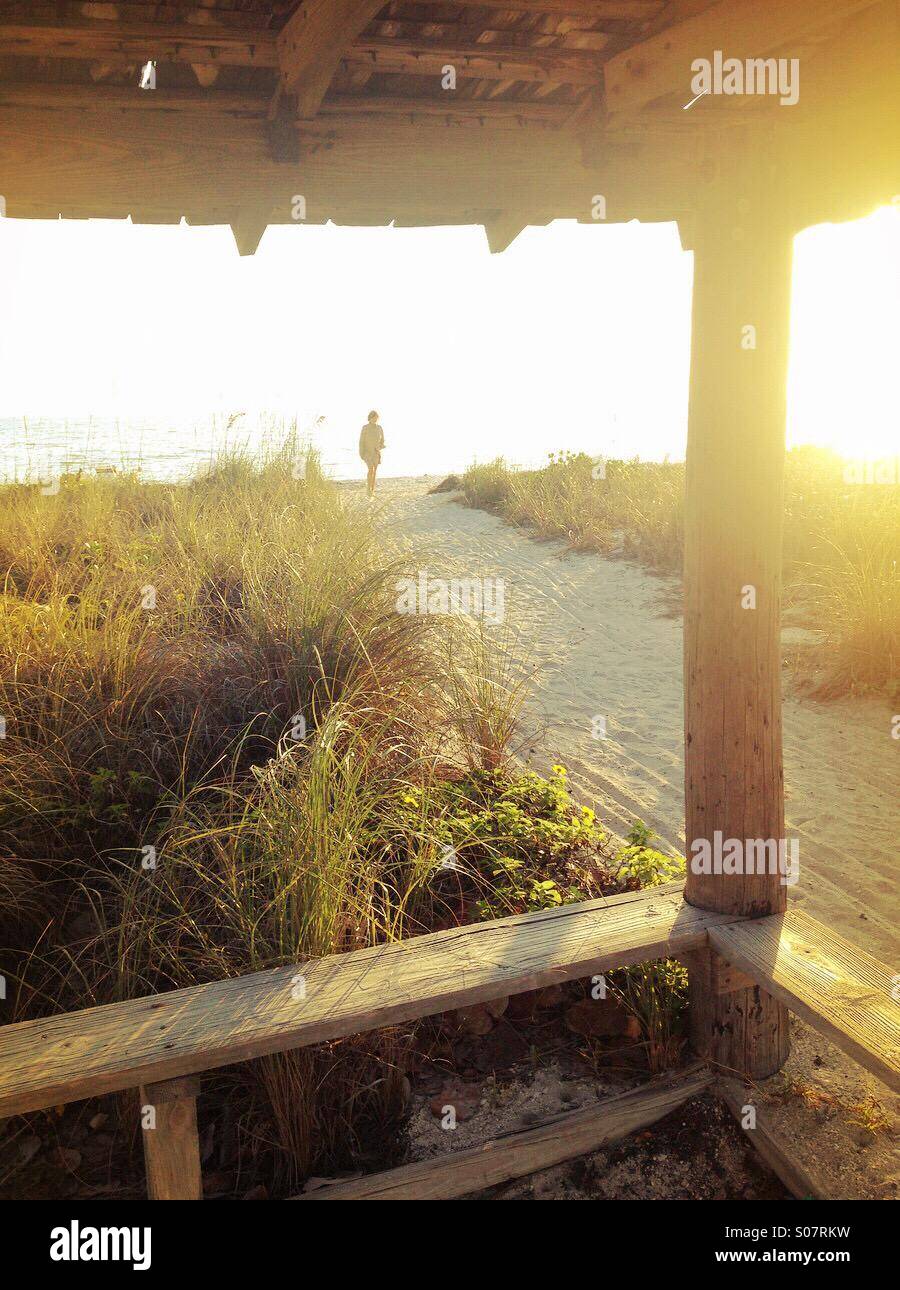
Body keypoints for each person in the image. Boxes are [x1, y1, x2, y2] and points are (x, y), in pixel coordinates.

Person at [359, 410, 385, 497]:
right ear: (370, 418)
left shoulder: (379, 428)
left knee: (374, 471)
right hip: (367, 452)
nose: (375, 419)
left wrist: (380, 447)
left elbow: (382, 441)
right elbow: (361, 441)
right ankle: (368, 488)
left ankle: (372, 489)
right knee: (370, 469)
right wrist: (361, 453)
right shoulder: (365, 428)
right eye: (373, 418)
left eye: (376, 418)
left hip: (376, 453)